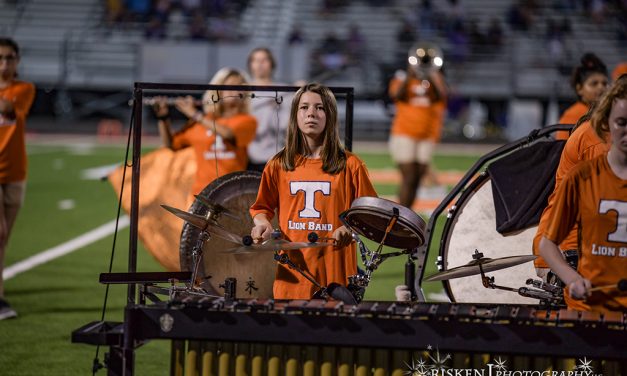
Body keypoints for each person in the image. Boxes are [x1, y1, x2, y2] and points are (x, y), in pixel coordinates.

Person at [250, 83, 377, 300]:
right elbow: (261, 208)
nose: (311, 113)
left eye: (320, 108)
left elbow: (369, 214)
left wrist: (349, 228)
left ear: (330, 115)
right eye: (304, 107)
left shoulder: (351, 165)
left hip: (336, 277)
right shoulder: (278, 164)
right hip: (291, 276)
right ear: (295, 116)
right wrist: (262, 224)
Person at [539, 75, 627, 313]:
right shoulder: (595, 149)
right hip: (581, 256)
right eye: (621, 122)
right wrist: (570, 276)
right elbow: (549, 242)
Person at [153, 67, 256, 195]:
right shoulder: (201, 121)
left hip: (233, 194)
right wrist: (163, 118)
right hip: (202, 193)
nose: (233, 91)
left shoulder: (247, 121)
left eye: (238, 87)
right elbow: (171, 144)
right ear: (218, 90)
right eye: (228, 86)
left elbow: (228, 134)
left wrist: (195, 114)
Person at [0, 38, 35, 320]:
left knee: (3, 240)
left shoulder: (23, 89)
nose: (4, 64)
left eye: (10, 58)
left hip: (14, 172)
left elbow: (10, 110)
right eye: (0, 58)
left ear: (17, 61)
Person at [388, 60, 446, 209]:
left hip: (426, 135)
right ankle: (401, 212)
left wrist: (432, 76)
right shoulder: (402, 78)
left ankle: (407, 211)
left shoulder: (434, 79)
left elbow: (441, 96)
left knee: (417, 178)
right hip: (404, 132)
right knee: (409, 176)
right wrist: (409, 75)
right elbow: (397, 95)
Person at [246, 47, 290, 172]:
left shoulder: (285, 91)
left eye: (264, 60)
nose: (260, 64)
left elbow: (286, 125)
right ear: (250, 65)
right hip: (248, 157)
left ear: (272, 64)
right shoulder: (241, 91)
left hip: (277, 157)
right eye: (256, 60)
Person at [555, 53, 608, 140]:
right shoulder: (573, 115)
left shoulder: (608, 112)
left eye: (604, 83)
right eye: (594, 84)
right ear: (579, 88)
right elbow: (563, 150)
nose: (601, 88)